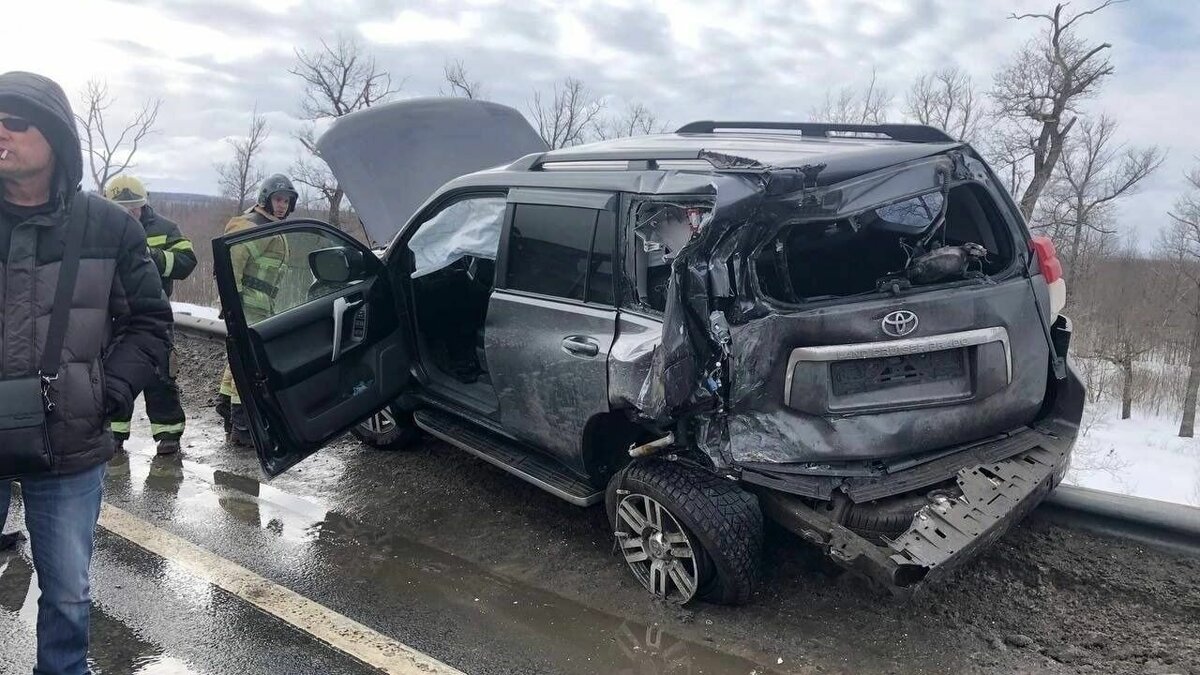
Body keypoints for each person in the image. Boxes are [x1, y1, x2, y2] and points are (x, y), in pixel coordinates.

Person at [0, 72, 171, 673]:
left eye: (14, 120)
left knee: (68, 596)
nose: (1, 132)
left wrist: (109, 393)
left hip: (70, 441)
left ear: (54, 135)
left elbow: (149, 323)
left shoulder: (109, 226)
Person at [105, 175, 196, 456]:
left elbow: (186, 261)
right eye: (122, 208)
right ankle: (113, 434)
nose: (129, 213)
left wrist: (151, 256)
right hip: (114, 313)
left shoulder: (165, 228)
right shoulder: (102, 228)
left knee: (161, 374)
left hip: (154, 311)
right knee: (113, 371)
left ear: (144, 204)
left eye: (133, 207)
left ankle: (168, 435)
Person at [216, 174, 294, 446]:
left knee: (237, 360)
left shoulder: (272, 226)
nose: (282, 205)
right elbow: (230, 265)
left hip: (260, 307)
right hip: (246, 305)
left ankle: (227, 406)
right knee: (248, 364)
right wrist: (231, 305)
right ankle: (242, 425)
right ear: (266, 199)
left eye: (286, 200)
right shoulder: (249, 225)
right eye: (278, 199)